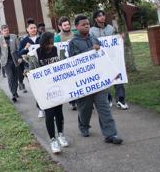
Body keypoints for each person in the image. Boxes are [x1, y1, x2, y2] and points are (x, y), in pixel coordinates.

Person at [68, 15, 123, 145]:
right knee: (85, 109)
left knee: (104, 108)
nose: (87, 26)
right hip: (84, 83)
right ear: (76, 27)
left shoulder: (94, 38)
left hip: (99, 80)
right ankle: (84, 126)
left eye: (88, 24)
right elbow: (74, 61)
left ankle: (110, 134)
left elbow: (104, 54)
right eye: (83, 24)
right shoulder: (73, 43)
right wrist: (90, 50)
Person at [26, 32, 69, 153]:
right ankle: (53, 140)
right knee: (49, 115)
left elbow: (65, 64)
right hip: (44, 90)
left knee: (59, 113)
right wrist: (28, 72)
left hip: (57, 88)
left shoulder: (58, 50)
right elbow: (31, 71)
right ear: (42, 43)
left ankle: (61, 134)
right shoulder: (35, 54)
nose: (50, 46)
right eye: (47, 44)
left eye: (52, 43)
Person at [90, 10, 128, 110]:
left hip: (113, 58)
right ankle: (108, 99)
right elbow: (91, 43)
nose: (102, 17)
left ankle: (120, 100)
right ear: (95, 19)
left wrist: (120, 38)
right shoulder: (92, 31)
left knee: (118, 77)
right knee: (104, 79)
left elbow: (116, 39)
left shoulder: (111, 28)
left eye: (103, 15)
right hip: (100, 59)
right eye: (99, 16)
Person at [54, 16, 77, 110]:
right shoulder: (57, 37)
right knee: (70, 83)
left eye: (68, 24)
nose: (67, 26)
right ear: (60, 26)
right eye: (65, 25)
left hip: (76, 60)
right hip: (65, 62)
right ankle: (72, 102)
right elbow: (57, 51)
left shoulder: (75, 34)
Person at [19, 23, 41, 115]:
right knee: (36, 88)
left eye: (35, 28)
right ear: (27, 29)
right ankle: (40, 108)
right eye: (31, 28)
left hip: (42, 65)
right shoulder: (24, 40)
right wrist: (25, 48)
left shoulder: (41, 38)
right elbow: (20, 53)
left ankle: (49, 108)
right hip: (30, 67)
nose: (33, 29)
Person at [0, 25, 21, 102]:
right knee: (10, 77)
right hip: (6, 62)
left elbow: (19, 48)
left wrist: (19, 57)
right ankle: (13, 94)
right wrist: (1, 60)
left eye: (7, 30)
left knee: (16, 77)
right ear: (2, 32)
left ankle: (15, 91)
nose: (6, 32)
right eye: (5, 31)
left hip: (15, 60)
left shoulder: (14, 37)